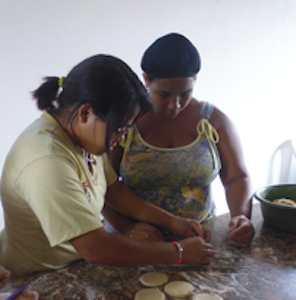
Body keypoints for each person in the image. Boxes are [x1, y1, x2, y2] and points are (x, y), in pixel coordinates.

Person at [0, 54, 214, 277]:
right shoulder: (46, 161)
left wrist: (173, 222)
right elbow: (95, 247)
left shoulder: (82, 137)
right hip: (36, 277)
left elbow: (114, 191)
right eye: (119, 129)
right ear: (85, 113)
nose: (121, 139)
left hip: (73, 266)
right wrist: (177, 253)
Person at [106, 33, 255, 247]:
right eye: (164, 95)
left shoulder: (212, 121)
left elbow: (236, 177)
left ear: (195, 81)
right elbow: (101, 185)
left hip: (197, 239)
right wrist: (127, 228)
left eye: (185, 94)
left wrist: (240, 216)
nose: (174, 105)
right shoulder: (126, 122)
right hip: (135, 241)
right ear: (146, 80)